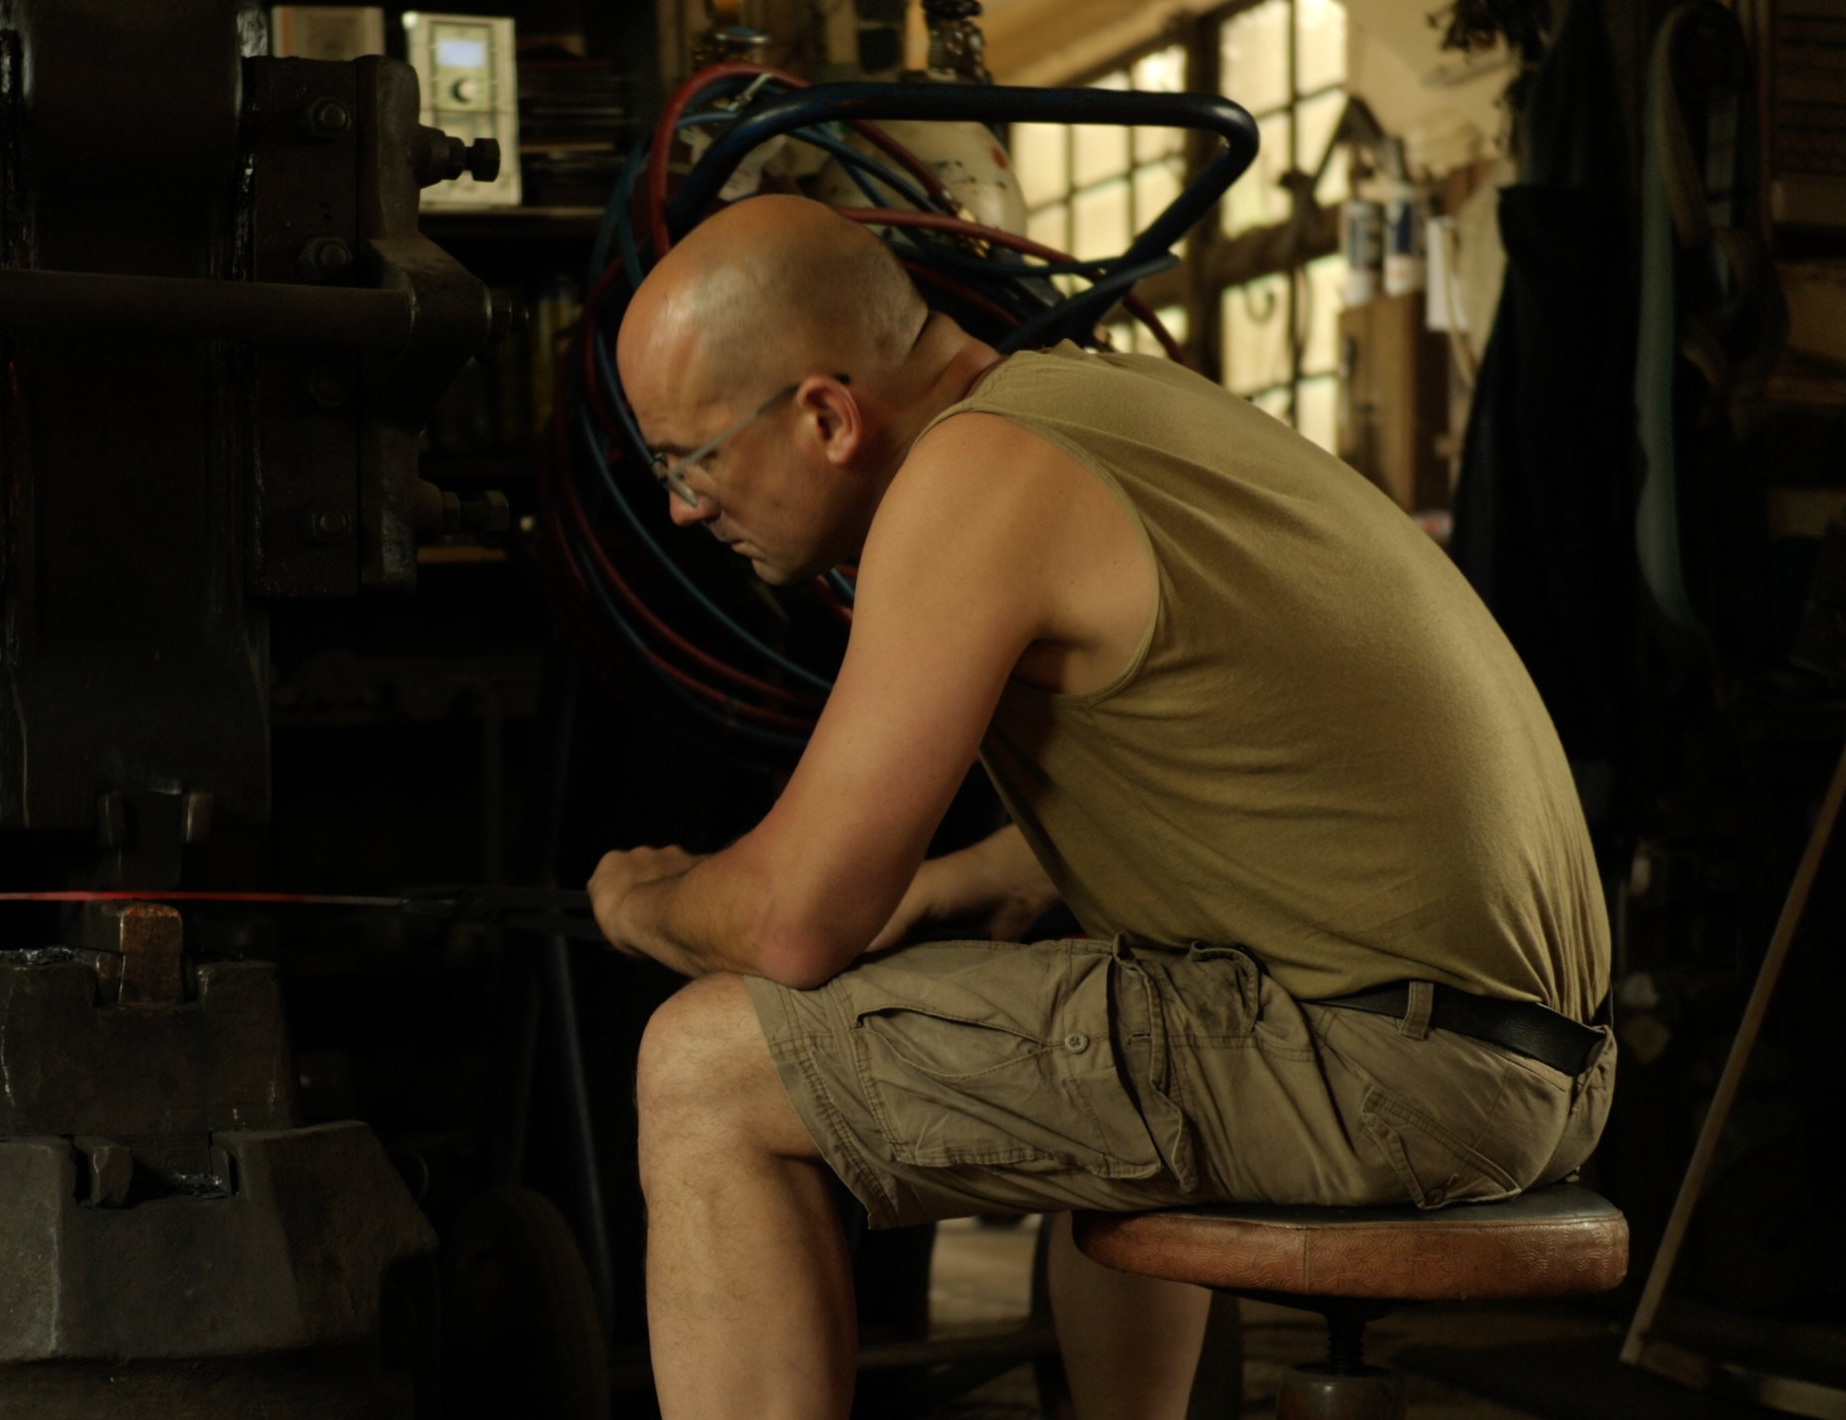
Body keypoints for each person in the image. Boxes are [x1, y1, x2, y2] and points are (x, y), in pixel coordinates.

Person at [584, 195, 1614, 1420]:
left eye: (688, 461)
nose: (682, 512)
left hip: (1405, 1070)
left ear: (825, 414)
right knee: (1106, 992)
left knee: (703, 1067)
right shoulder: (1098, 408)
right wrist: (965, 877)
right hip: (1538, 1060)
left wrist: (643, 901)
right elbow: (1266, 778)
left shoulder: (974, 476)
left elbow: (791, 923)